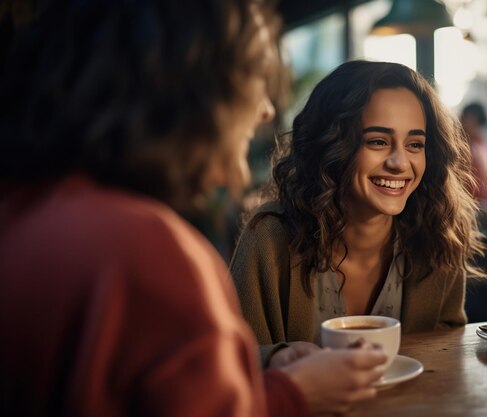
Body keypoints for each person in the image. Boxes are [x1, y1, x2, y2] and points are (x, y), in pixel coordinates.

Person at [0, 1, 387, 416]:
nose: (266, 111)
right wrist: (292, 396)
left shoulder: (22, 215)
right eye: (251, 79)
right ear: (193, 89)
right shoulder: (149, 253)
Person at [230, 60, 487, 367]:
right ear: (331, 145)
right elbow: (229, 361)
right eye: (377, 141)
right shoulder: (269, 238)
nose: (400, 162)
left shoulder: (438, 236)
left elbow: (448, 349)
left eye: (415, 144)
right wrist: (276, 359)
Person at [460, 102, 487, 200]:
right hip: (477, 205)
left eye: (463, 118)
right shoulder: (481, 147)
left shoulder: (473, 149)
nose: (459, 121)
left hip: (471, 205)